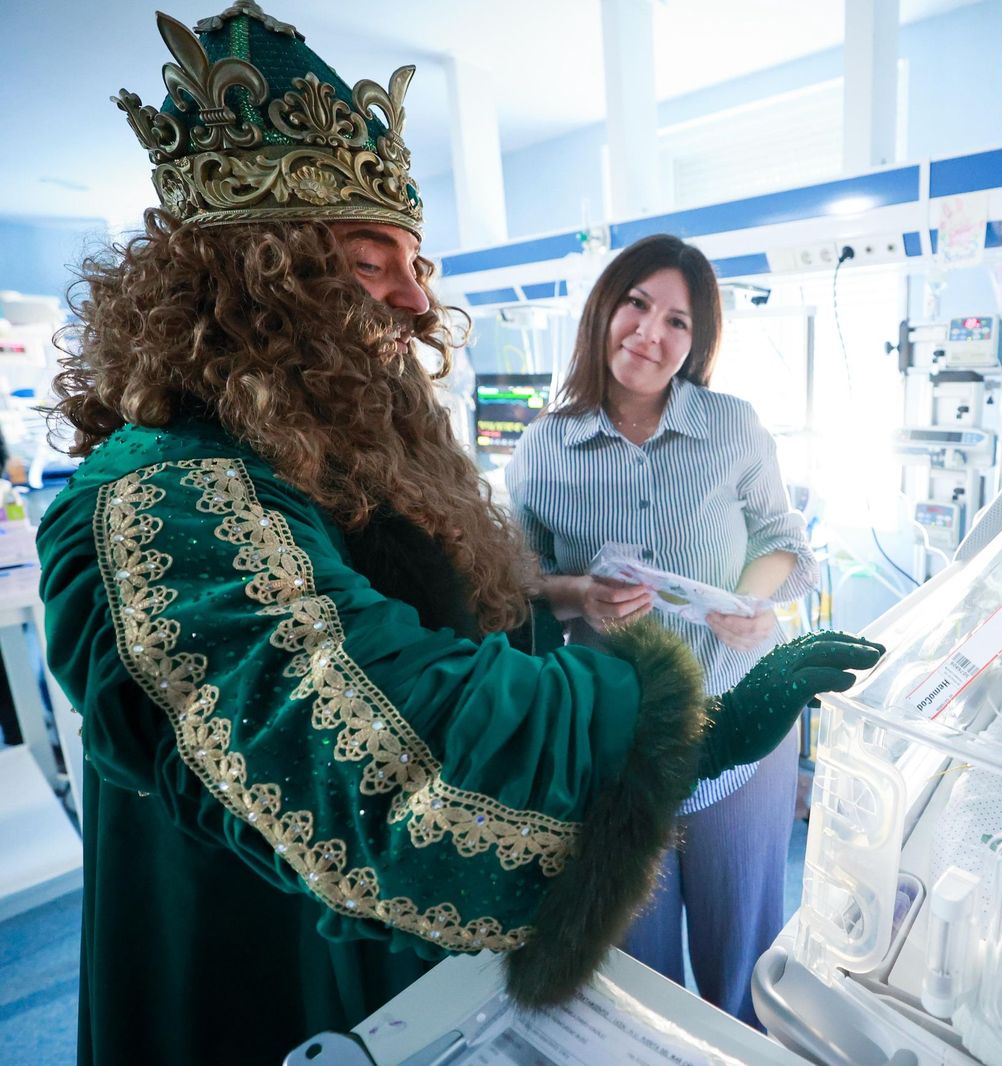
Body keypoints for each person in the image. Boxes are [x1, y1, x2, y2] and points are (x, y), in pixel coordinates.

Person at [36, 6, 882, 1065]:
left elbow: (454, 609)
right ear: (255, 273)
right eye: (368, 260)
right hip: (273, 975)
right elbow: (379, 741)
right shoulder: (161, 497)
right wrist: (674, 727)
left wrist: (572, 615)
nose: (416, 296)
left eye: (414, 258)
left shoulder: (339, 445)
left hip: (399, 971)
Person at [508, 234, 818, 1026]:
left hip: (740, 719)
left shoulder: (731, 427)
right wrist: (579, 592)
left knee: (742, 946)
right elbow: (513, 583)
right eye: (637, 304)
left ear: (697, 340)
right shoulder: (543, 448)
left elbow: (785, 538)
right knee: (634, 963)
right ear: (604, 309)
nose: (651, 333)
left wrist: (750, 602)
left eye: (678, 321)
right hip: (621, 738)